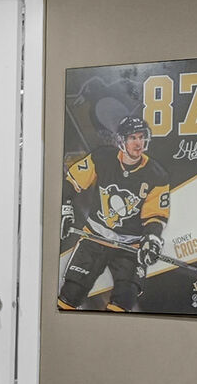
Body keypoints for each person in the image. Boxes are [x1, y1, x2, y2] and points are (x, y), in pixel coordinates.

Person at [58, 115, 172, 312]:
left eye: (141, 137)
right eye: (133, 138)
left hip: (130, 246)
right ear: (121, 140)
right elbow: (73, 181)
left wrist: (151, 238)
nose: (138, 143)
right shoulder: (102, 157)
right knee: (70, 294)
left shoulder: (157, 174)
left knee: (125, 300)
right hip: (95, 238)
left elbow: (155, 215)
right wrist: (65, 207)